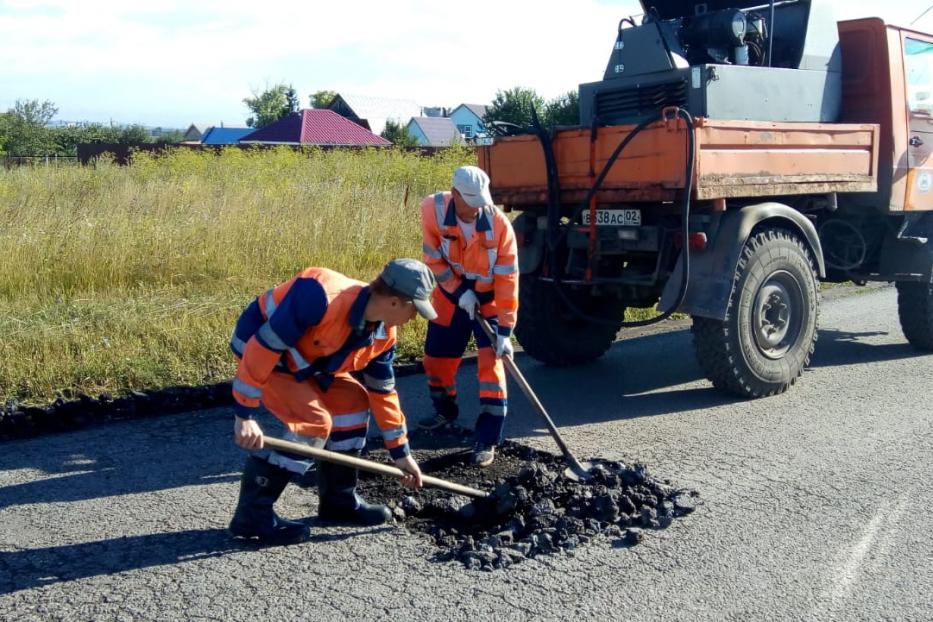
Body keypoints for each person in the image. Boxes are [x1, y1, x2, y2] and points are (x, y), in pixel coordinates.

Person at [228, 258, 434, 545]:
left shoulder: (384, 333)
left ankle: (338, 501)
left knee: (353, 402)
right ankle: (253, 513)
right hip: (263, 354)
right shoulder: (320, 296)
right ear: (395, 302)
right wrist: (245, 415)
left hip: (308, 363)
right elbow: (263, 348)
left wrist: (401, 454)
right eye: (416, 309)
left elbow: (383, 393)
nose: (415, 318)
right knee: (313, 423)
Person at [418, 165, 519, 467]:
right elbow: (432, 257)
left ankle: (487, 438)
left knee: (492, 369)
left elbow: (507, 280)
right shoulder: (432, 209)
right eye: (471, 200)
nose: (477, 208)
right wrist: (459, 290)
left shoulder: (500, 227)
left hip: (488, 300)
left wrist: (505, 330)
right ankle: (444, 410)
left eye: (481, 200)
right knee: (436, 358)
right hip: (451, 295)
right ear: (456, 194)